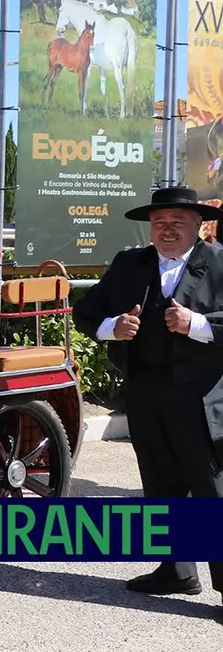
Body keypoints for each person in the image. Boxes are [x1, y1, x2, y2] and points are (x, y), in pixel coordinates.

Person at [73, 187, 223, 607]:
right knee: (159, 483)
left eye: (177, 221)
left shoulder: (220, 262)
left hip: (200, 397)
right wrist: (111, 327)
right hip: (144, 392)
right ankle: (176, 571)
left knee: (212, 489)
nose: (167, 229)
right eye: (159, 223)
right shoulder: (129, 263)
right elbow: (86, 312)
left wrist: (197, 324)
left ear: (199, 224)